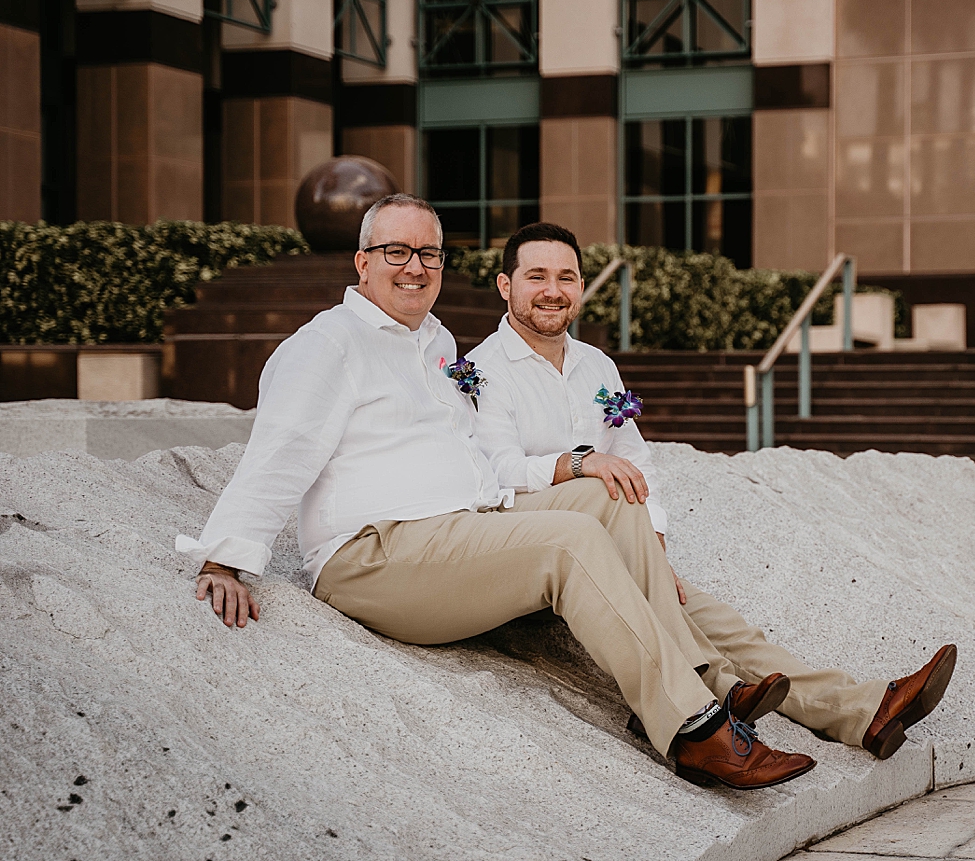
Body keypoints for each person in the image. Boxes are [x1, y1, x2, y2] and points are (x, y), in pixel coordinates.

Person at [176, 194, 818, 791]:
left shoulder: (437, 344)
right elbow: (280, 449)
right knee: (570, 539)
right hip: (371, 554)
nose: (414, 267)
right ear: (363, 263)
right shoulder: (327, 344)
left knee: (610, 499)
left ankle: (705, 685)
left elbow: (478, 456)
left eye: (429, 254)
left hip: (455, 530)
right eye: (396, 252)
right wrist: (225, 556)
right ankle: (693, 733)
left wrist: (585, 496)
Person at [468, 222, 959, 760]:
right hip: (540, 554)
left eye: (567, 277)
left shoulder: (597, 366)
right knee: (616, 507)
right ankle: (720, 686)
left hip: (612, 542)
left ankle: (866, 711)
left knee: (731, 627)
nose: (553, 290)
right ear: (503, 285)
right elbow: (494, 476)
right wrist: (579, 464)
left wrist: (649, 536)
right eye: (536, 276)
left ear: (582, 286)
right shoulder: (479, 371)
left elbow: (635, 459)